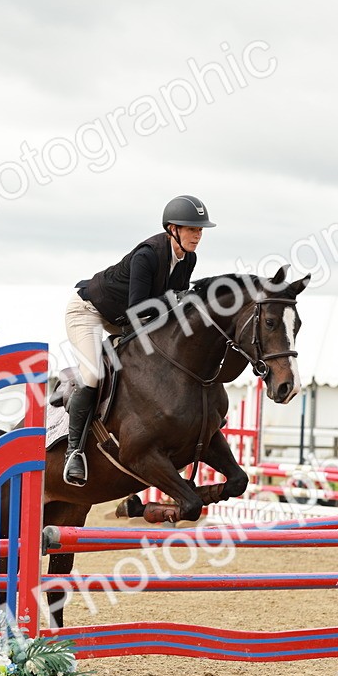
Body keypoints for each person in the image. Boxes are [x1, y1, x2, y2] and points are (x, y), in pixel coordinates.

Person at [61, 194, 216, 486]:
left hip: (122, 318)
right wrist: (179, 298)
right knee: (93, 375)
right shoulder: (148, 255)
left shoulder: (188, 259)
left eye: (200, 230)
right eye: (192, 229)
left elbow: (171, 312)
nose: (198, 235)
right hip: (89, 312)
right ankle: (74, 453)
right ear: (173, 229)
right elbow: (138, 311)